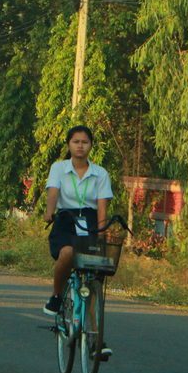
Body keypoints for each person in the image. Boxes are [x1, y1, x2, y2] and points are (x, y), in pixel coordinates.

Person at [42, 125, 114, 355]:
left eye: (85, 142)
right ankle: (56, 296)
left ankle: (94, 339)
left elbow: (102, 207)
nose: (80, 146)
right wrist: (49, 211)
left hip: (90, 221)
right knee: (66, 254)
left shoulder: (100, 173)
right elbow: (53, 193)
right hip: (66, 218)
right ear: (69, 145)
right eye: (76, 142)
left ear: (91, 146)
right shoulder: (59, 168)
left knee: (92, 280)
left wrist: (101, 235)